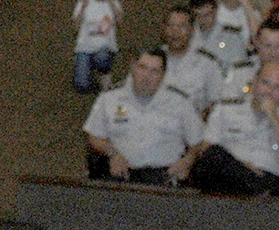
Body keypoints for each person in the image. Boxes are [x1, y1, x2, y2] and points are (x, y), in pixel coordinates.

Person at [82, 48, 204, 184]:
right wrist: (112, 154)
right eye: (142, 68)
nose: (147, 76)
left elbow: (197, 142)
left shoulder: (181, 102)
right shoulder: (109, 98)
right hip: (122, 176)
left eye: (154, 71)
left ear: (163, 75)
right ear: (133, 68)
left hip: (164, 178)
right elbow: (94, 136)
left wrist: (187, 161)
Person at [191, 60, 279, 196]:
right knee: (214, 155)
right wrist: (245, 169)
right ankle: (256, 188)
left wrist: (274, 118)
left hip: (272, 184)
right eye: (265, 83)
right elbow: (206, 151)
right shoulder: (226, 108)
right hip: (228, 180)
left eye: (277, 88)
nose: (269, 92)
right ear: (254, 82)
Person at [71, 0, 121, 92]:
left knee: (102, 59)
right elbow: (75, 25)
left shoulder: (113, 2)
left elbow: (120, 19)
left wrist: (109, 0)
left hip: (104, 47)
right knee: (82, 86)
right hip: (85, 48)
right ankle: (85, 67)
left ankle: (104, 73)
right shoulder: (83, 3)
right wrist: (83, 4)